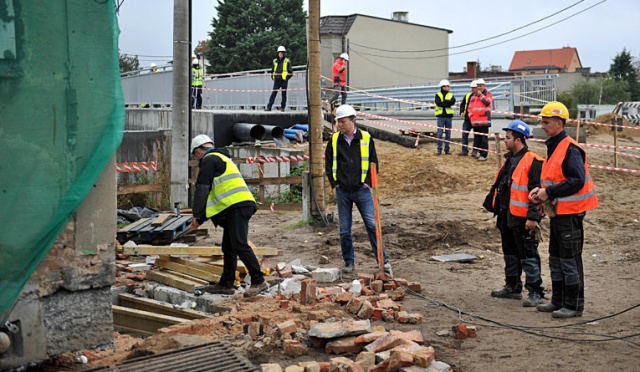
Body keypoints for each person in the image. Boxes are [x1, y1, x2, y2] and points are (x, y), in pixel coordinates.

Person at [529, 101, 599, 318]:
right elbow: (557, 179)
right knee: (557, 258)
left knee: (570, 261)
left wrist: (548, 193)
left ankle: (574, 305)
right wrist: (542, 190)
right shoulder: (555, 146)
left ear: (559, 123)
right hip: (560, 214)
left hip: (570, 214)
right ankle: (558, 301)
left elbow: (576, 180)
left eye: (546, 121)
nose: (543, 125)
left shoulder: (569, 148)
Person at [188, 134, 268, 297]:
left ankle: (259, 281)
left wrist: (196, 215)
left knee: (239, 244)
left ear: (197, 152)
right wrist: (200, 219)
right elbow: (213, 196)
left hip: (236, 206)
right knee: (229, 247)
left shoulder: (209, 160)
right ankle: (226, 282)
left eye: (195, 158)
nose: (197, 163)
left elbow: (202, 189)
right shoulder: (221, 159)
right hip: (237, 205)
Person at [324, 105, 392, 276]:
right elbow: (328, 164)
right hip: (343, 191)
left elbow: (373, 163)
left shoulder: (366, 138)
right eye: (338, 122)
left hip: (362, 190)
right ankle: (349, 262)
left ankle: (383, 261)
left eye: (343, 121)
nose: (340, 125)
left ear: (353, 120)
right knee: (344, 230)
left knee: (371, 224)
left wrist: (367, 183)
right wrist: (335, 183)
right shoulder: (334, 140)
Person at [483, 120, 545, 307]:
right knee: (510, 253)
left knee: (528, 255)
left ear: (518, 139)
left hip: (522, 218)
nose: (504, 140)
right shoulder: (511, 160)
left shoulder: (533, 161)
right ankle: (512, 287)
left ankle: (536, 292)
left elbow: (538, 192)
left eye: (508, 137)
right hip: (506, 217)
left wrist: (533, 217)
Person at [468, 78, 493, 161]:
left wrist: (480, 96)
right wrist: (471, 116)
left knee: (484, 139)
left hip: (484, 121)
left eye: (481, 86)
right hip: (475, 122)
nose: (479, 87)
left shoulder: (488, 94)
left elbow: (487, 102)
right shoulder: (473, 96)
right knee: (477, 139)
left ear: (484, 86)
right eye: (478, 86)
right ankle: (480, 153)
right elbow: (470, 107)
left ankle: (484, 155)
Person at [265, 46, 293, 112]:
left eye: (281, 53)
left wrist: (286, 78)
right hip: (277, 80)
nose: (280, 54)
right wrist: (272, 77)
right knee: (273, 94)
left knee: (283, 94)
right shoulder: (275, 61)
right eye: (279, 53)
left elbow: (290, 72)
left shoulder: (287, 61)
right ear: (277, 53)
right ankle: (269, 107)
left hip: (284, 80)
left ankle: (282, 107)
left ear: (284, 53)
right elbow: (272, 70)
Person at [434, 79, 456, 155]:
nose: (448, 87)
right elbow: (438, 103)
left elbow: (452, 102)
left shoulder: (451, 95)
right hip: (440, 116)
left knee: (448, 133)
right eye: (446, 86)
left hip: (448, 116)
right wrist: (447, 103)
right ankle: (439, 149)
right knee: (439, 133)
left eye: (448, 86)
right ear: (442, 87)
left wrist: (444, 103)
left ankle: (447, 149)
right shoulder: (438, 95)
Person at [458, 80, 477, 156]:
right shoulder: (468, 96)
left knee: (476, 136)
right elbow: (462, 105)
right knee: (465, 134)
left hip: (476, 119)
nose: (472, 89)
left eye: (474, 88)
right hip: (467, 119)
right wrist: (462, 112)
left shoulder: (480, 97)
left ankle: (475, 151)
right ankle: (464, 150)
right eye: (472, 88)